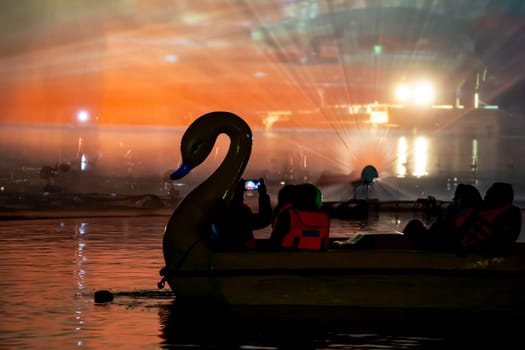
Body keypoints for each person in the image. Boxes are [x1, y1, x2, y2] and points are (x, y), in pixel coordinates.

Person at [403, 183, 483, 251]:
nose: (453, 202)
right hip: (442, 243)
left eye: (456, 199)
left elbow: (443, 231)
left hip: (440, 247)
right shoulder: (477, 214)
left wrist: (446, 216)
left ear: (463, 200)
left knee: (414, 224)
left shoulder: (461, 216)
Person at [459, 182, 522, 256]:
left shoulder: (509, 216)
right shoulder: (485, 211)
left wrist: (471, 249)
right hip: (467, 249)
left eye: (489, 195)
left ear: (499, 198)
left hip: (478, 255)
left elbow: (500, 246)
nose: (485, 197)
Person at [263, 183, 330, 250]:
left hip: (289, 258)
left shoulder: (288, 215)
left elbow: (274, 243)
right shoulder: (325, 217)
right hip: (318, 258)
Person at [211, 178, 273, 250]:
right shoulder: (240, 215)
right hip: (241, 252)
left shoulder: (216, 214)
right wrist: (263, 195)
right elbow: (265, 219)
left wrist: (238, 194)